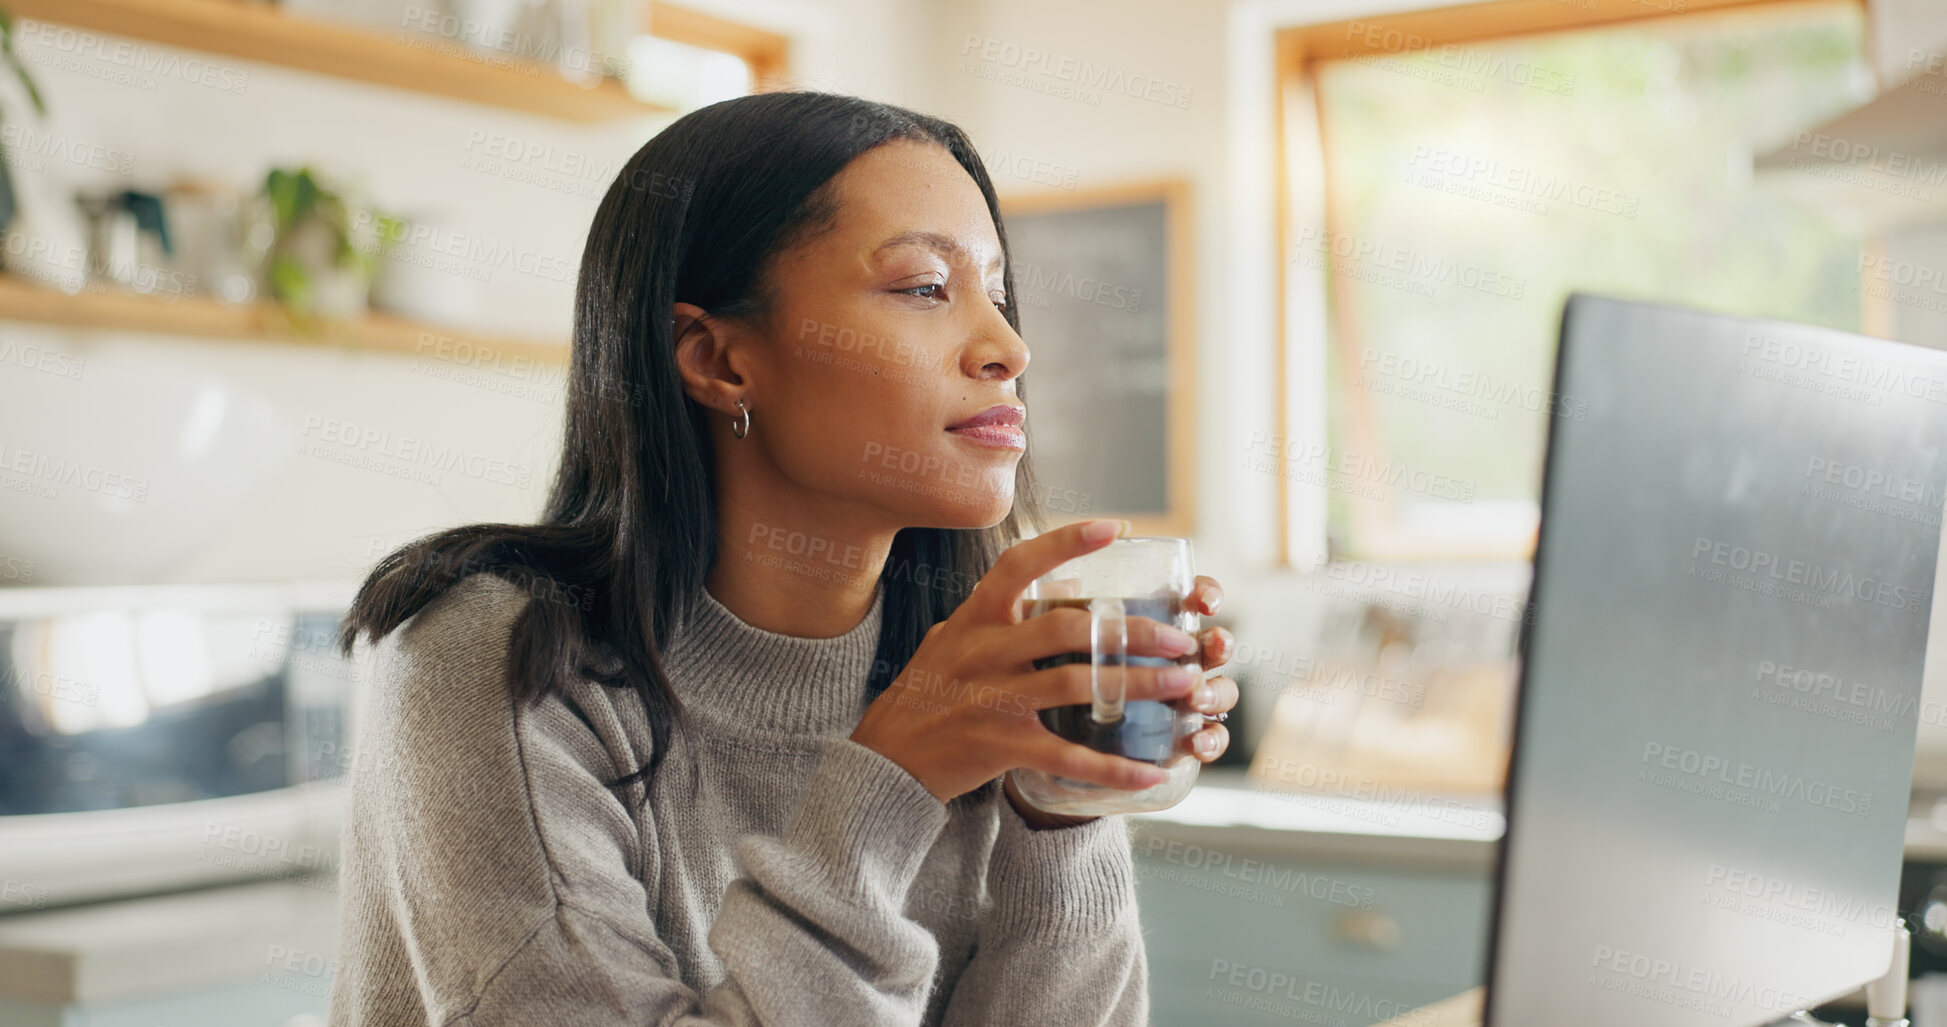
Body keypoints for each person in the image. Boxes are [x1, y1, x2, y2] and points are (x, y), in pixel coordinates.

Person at [326, 91, 1238, 1026]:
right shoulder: (497, 655)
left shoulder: (975, 660)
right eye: (925, 286)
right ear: (716, 359)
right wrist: (895, 774)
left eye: (997, 296)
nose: (1009, 347)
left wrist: (1060, 805)